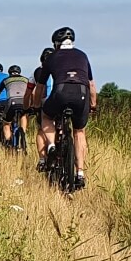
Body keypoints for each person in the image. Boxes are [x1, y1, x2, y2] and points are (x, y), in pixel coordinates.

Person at [35, 27, 95, 188]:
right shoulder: (83, 55)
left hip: (60, 93)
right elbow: (91, 84)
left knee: (46, 116)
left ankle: (53, 146)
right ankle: (80, 173)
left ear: (56, 44)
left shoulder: (51, 57)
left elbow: (40, 87)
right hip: (82, 94)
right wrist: (93, 104)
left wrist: (36, 105)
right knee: (79, 132)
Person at [0, 65, 31, 147]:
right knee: (24, 114)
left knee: (6, 123)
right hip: (23, 101)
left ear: (9, 73)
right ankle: (23, 134)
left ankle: (8, 143)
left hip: (12, 102)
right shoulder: (26, 79)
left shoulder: (6, 80)